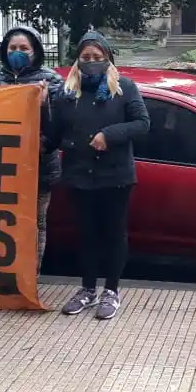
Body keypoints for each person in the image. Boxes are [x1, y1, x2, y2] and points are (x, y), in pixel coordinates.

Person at [47, 31, 150, 320]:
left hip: (115, 176)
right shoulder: (65, 95)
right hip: (79, 176)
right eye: (86, 57)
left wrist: (110, 134)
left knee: (114, 234)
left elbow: (142, 124)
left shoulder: (125, 88)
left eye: (97, 57)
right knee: (87, 235)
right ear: (77, 60)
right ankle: (87, 289)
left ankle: (112, 291)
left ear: (108, 59)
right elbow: (53, 135)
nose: (91, 61)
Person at [0, 26, 63, 276]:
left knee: (35, 222)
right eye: (12, 48)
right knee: (1, 220)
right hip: (1, 165)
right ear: (4, 52)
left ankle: (30, 275)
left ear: (35, 51)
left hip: (38, 168)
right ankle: (2, 272)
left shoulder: (50, 80)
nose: (17, 52)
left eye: (23, 48)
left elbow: (59, 126)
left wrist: (44, 104)